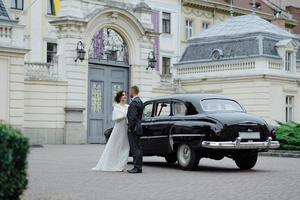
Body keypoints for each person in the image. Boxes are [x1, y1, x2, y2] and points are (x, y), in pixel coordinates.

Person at [92, 91, 129, 171]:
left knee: (126, 147)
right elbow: (115, 118)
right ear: (119, 97)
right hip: (119, 129)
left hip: (126, 128)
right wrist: (125, 114)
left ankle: (120, 165)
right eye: (123, 95)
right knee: (115, 146)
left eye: (125, 95)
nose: (125, 97)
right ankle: (112, 164)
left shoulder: (128, 106)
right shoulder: (116, 107)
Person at [127, 86, 144, 174]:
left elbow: (132, 118)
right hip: (139, 127)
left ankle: (136, 167)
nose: (129, 92)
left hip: (134, 129)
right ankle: (139, 167)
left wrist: (130, 128)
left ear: (132, 91)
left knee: (135, 148)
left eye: (130, 91)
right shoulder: (140, 102)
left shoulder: (133, 103)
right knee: (139, 148)